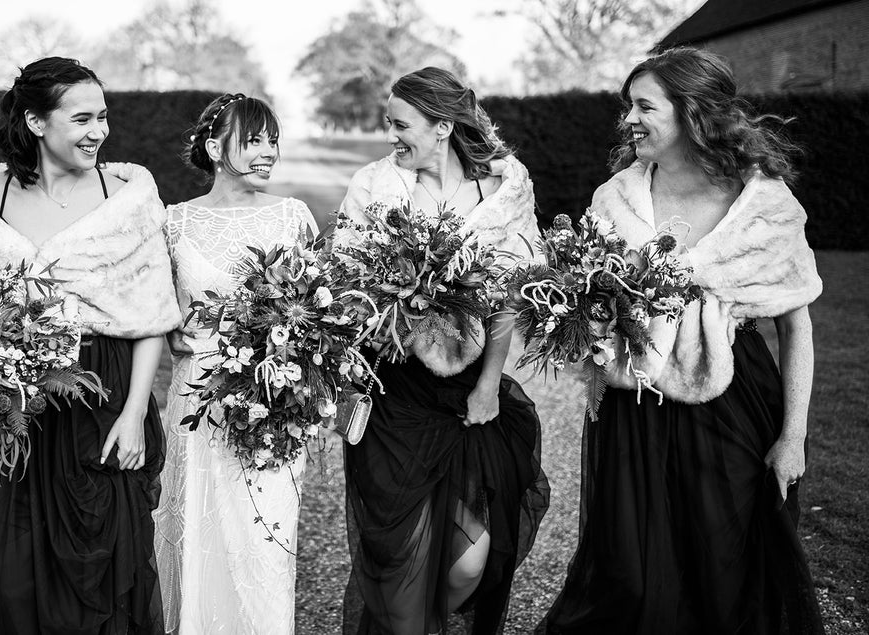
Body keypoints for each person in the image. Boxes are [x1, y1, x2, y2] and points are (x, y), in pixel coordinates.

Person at [537, 47, 824, 634]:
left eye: (645, 106)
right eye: (628, 106)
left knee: (725, 563)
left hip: (733, 400)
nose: (629, 119)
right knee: (631, 567)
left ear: (694, 112)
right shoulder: (614, 198)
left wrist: (792, 436)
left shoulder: (764, 207)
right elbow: (591, 297)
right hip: (633, 401)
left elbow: (795, 324)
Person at [0, 56, 180, 634]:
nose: (99, 131)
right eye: (82, 118)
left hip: (104, 393)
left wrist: (136, 412)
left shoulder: (127, 194)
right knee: (9, 565)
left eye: (104, 117)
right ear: (37, 122)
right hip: (14, 403)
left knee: (101, 557)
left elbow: (149, 316)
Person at [337, 66, 551, 635]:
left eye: (401, 124)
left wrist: (487, 385)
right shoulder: (372, 186)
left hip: (468, 395)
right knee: (403, 557)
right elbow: (346, 286)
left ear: (442, 126)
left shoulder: (502, 192)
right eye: (389, 124)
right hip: (394, 392)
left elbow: (513, 292)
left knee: (469, 560)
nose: (391, 137)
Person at [153, 93, 318, 635]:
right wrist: (175, 331)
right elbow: (153, 314)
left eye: (272, 139)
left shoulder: (293, 216)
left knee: (266, 541)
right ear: (213, 146)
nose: (268, 151)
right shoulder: (173, 224)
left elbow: (321, 310)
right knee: (198, 534)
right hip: (196, 396)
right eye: (253, 140)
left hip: (274, 400)